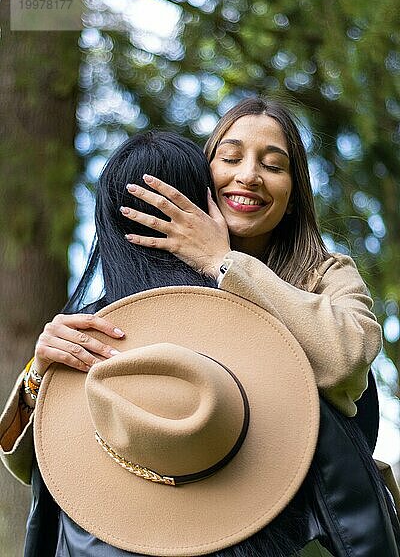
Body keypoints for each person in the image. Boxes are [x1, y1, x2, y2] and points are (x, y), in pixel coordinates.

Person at [0, 101, 397, 556]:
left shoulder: (325, 275)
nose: (249, 175)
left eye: (273, 165)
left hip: (306, 523)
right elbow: (43, 458)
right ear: (201, 179)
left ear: (293, 193)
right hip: (164, 517)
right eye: (230, 158)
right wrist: (38, 376)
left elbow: (347, 359)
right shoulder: (139, 295)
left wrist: (223, 262)